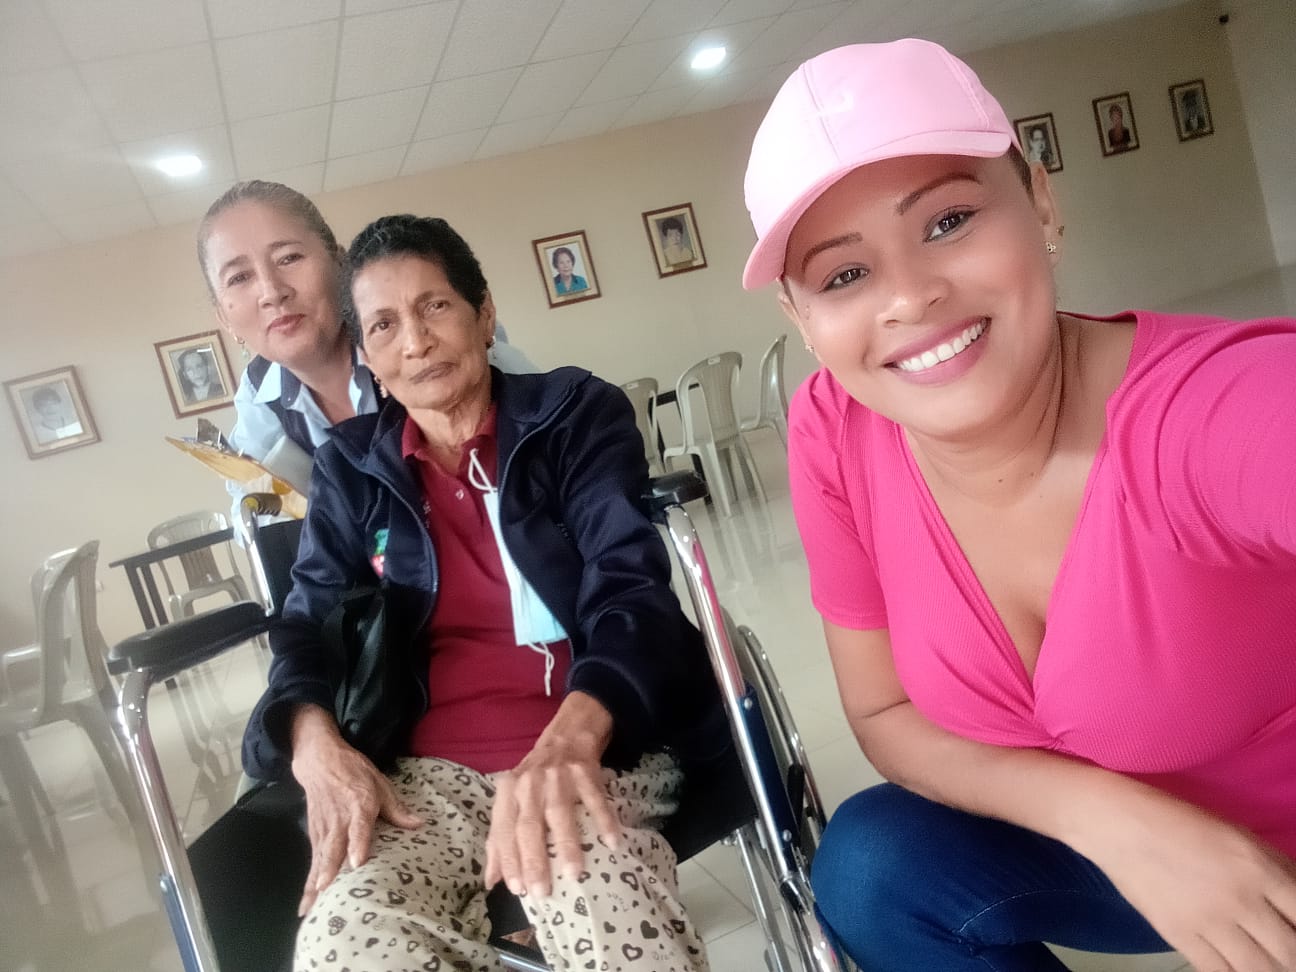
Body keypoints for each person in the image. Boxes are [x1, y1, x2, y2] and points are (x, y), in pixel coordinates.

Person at [740, 39, 1296, 972]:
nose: (911, 296)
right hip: (1119, 860)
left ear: (1041, 201)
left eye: (949, 220)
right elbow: (884, 713)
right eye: (843, 275)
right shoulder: (836, 428)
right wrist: (1114, 821)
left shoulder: (1212, 410)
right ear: (802, 319)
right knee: (873, 868)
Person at [241, 213, 721, 971]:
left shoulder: (572, 415)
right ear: (369, 356)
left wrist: (573, 740)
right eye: (384, 325)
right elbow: (308, 621)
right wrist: (310, 737)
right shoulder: (351, 468)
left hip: (593, 745)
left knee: (593, 896)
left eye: (434, 305)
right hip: (425, 786)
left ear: (484, 314)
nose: (415, 341)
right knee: (345, 939)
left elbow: (630, 590)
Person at [196, 181, 537, 505]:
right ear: (224, 318)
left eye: (289, 258)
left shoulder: (430, 344)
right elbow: (252, 502)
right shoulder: (258, 394)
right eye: (239, 277)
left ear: (340, 264)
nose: (272, 292)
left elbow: (543, 430)